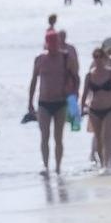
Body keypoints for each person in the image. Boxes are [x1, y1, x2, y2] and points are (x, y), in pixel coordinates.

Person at [25, 30, 78, 175]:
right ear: (47, 44)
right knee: (44, 136)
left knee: (58, 137)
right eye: (51, 45)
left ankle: (58, 167)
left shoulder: (66, 58)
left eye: (55, 44)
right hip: (44, 103)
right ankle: (46, 166)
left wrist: (74, 100)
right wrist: (29, 102)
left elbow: (75, 79)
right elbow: (34, 80)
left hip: (61, 102)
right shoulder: (40, 59)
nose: (53, 48)